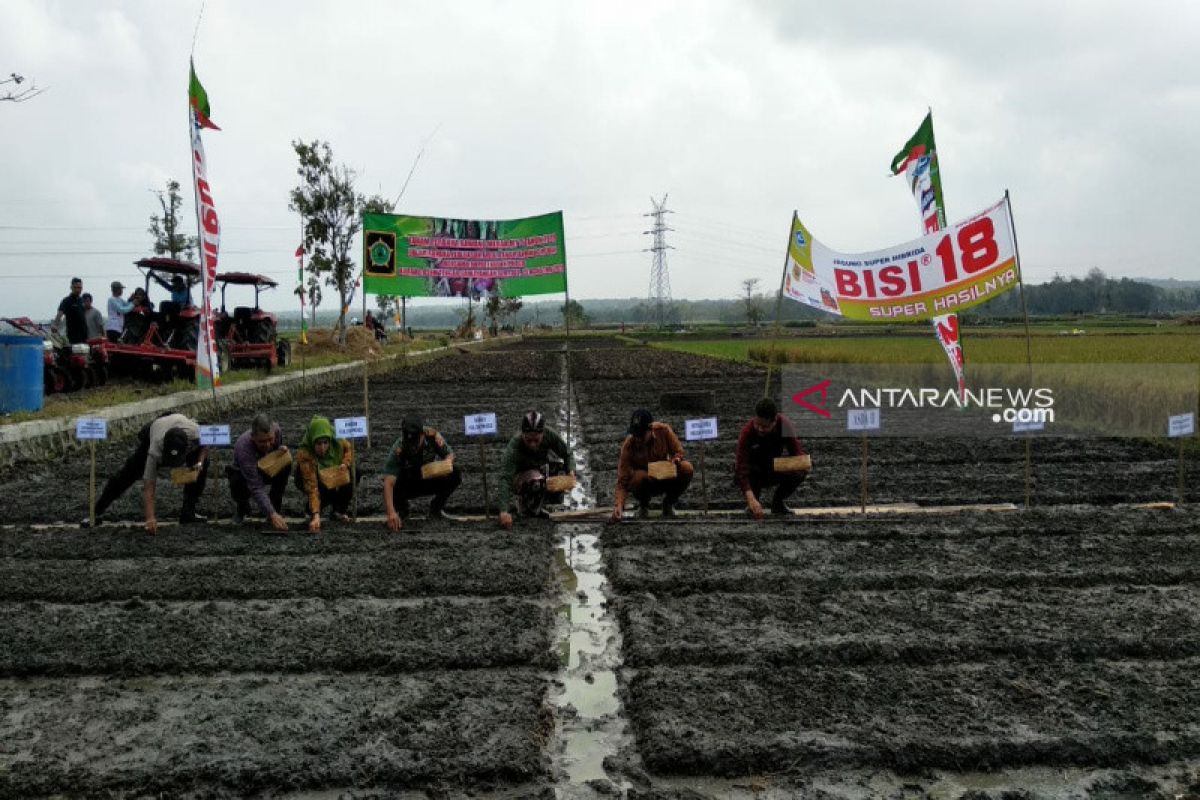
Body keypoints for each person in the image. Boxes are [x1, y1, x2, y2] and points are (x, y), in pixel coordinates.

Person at [85, 412, 208, 533]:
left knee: (203, 465)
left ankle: (188, 512)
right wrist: (150, 518)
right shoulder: (154, 450)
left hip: (181, 426)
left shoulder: (196, 433)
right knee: (127, 474)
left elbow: (205, 444)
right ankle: (95, 513)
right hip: (155, 429)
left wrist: (199, 464)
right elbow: (149, 487)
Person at [609, 409, 694, 522]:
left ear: (651, 430)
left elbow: (679, 451)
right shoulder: (628, 445)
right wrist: (619, 506)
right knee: (638, 477)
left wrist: (676, 459)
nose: (638, 439)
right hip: (646, 482)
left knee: (687, 468)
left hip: (665, 476)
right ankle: (643, 506)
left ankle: (668, 503)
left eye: (642, 435)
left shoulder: (663, 431)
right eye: (636, 434)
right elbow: (622, 480)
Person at [498, 410, 575, 529]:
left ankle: (552, 504)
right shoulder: (514, 446)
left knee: (560, 470)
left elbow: (567, 454)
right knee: (536, 481)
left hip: (540, 469)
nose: (532, 444)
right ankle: (526, 506)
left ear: (543, 434)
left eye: (536, 440)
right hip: (521, 477)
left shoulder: (549, 434)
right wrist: (504, 511)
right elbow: (505, 479)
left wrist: (571, 472)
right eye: (529, 440)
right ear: (522, 434)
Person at [382, 415, 460, 531]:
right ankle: (402, 511)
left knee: (454, 473)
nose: (412, 447)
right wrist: (391, 513)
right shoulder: (398, 447)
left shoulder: (433, 437)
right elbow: (388, 482)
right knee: (392, 482)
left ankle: (436, 509)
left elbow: (450, 455)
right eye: (409, 443)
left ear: (423, 434)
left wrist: (445, 465)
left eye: (415, 442)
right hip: (408, 482)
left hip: (428, 477)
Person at [735, 398, 808, 519]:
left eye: (764, 426)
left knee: (803, 465)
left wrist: (803, 463)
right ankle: (753, 503)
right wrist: (751, 499)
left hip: (774, 466)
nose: (759, 429)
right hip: (755, 470)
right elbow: (741, 468)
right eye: (757, 424)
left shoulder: (784, 424)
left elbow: (797, 451)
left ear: (774, 421)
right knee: (742, 471)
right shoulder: (747, 432)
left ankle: (778, 503)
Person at [227, 413, 290, 531]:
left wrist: (280, 450)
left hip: (265, 464)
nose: (267, 444)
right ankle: (242, 508)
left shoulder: (276, 430)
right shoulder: (243, 447)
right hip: (244, 473)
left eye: (270, 440)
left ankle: (275, 507)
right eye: (262, 441)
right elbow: (256, 486)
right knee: (236, 480)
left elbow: (277, 446)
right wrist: (271, 514)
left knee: (286, 463)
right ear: (253, 437)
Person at [294, 416, 355, 533]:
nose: (322, 448)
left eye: (325, 443)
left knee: (353, 472)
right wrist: (316, 515)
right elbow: (312, 486)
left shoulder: (337, 439)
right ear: (312, 442)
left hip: (331, 471)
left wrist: (345, 463)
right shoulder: (305, 453)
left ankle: (339, 510)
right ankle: (311, 511)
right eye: (318, 444)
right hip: (311, 478)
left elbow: (349, 449)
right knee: (325, 490)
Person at [52, 277, 87, 344]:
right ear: (71, 287)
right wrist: (55, 325)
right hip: (72, 335)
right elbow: (59, 314)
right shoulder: (66, 301)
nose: (78, 290)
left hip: (84, 335)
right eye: (75, 287)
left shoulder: (82, 300)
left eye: (79, 287)